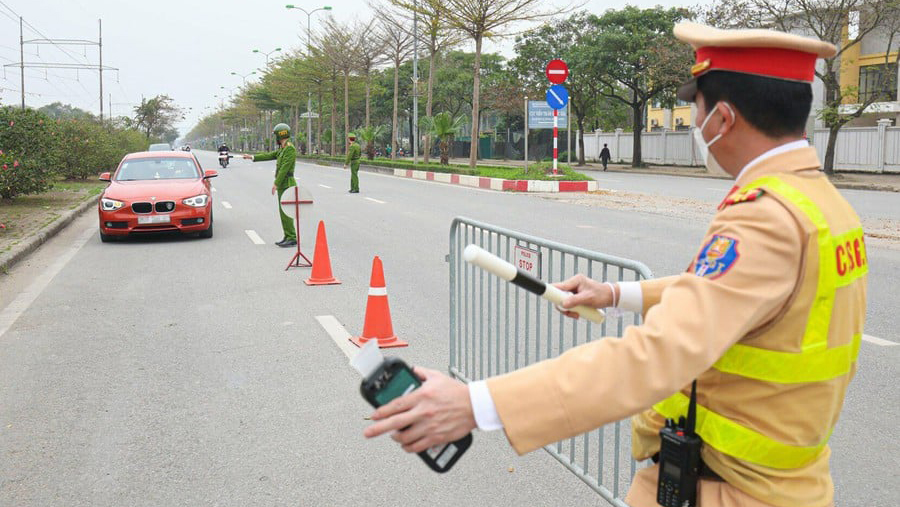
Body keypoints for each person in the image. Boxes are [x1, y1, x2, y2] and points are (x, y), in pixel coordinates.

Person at [364, 22, 866, 507]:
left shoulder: (765, 219)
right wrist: (617, 295)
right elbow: (732, 293)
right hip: (780, 484)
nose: (695, 123)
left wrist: (474, 404)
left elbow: (652, 356)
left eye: (696, 108)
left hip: (729, 490)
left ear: (724, 119)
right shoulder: (822, 206)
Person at [242, 123, 298, 247]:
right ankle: (287, 235)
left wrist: (276, 183)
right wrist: (251, 157)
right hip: (283, 184)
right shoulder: (282, 149)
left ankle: (292, 237)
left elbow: (284, 168)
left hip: (287, 184)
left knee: (286, 211)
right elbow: (269, 155)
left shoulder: (289, 148)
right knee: (282, 211)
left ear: (280, 135)